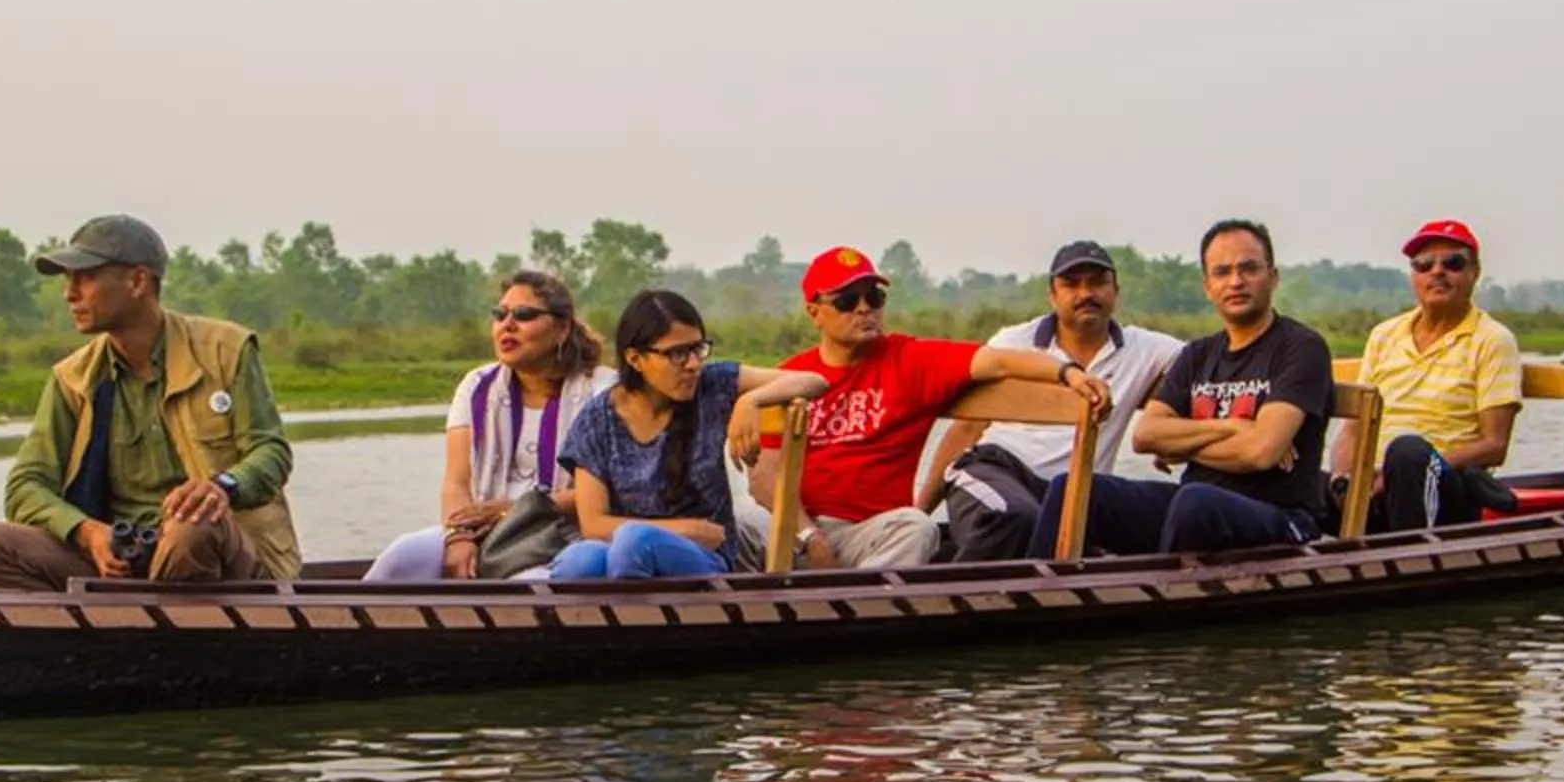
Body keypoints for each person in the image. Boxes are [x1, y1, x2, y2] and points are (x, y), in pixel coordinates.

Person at [0, 214, 300, 588]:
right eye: (68, 280)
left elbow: (271, 451)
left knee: (192, 526)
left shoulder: (226, 351)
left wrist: (222, 488)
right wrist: (88, 534)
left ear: (138, 281)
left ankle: (166, 631)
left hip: (225, 558)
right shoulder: (72, 378)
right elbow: (25, 485)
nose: (69, 294)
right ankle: (97, 637)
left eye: (85, 278)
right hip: (119, 563)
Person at [751, 246, 1113, 570]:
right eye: (847, 301)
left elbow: (998, 362)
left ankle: (859, 612)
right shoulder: (789, 375)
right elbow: (764, 480)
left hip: (874, 533)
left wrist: (1067, 372)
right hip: (799, 528)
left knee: (917, 528)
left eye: (873, 297)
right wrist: (809, 537)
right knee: (733, 528)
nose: (864, 308)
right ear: (815, 312)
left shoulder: (910, 360)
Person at [1028, 219, 1336, 557]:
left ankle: (1158, 602)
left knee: (1195, 501)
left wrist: (1184, 445)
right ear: (1207, 286)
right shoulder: (1197, 355)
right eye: (1222, 272)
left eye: (1249, 268)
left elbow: (1260, 452)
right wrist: (1232, 427)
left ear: (1273, 277)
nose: (1236, 282)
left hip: (1281, 518)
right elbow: (1147, 436)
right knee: (1071, 489)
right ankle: (1038, 598)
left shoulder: (1301, 347)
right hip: (1194, 510)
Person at [915, 239, 1180, 560]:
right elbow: (967, 429)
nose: (1086, 294)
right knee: (1014, 518)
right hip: (998, 468)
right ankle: (951, 604)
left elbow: (1207, 370)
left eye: (1098, 283)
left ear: (1116, 292)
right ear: (1052, 296)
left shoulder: (1145, 350)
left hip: (1075, 494)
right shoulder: (1014, 343)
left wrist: (1174, 428)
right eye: (1071, 284)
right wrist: (920, 513)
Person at [553, 290, 828, 580]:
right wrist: (685, 528)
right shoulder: (598, 420)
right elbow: (594, 524)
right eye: (677, 354)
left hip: (704, 557)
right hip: (653, 540)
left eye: (698, 349)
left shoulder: (712, 386)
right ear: (635, 359)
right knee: (578, 561)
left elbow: (813, 380)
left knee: (635, 544)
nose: (694, 364)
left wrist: (750, 401)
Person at [365, 270, 613, 580]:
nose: (508, 325)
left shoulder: (603, 391)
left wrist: (511, 509)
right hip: (483, 530)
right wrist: (458, 536)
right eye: (500, 314)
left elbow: (607, 490)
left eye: (524, 315)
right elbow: (456, 482)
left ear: (562, 329)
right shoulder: (477, 386)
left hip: (563, 537)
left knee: (527, 586)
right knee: (400, 558)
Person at [1334, 219, 1523, 531]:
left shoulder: (1492, 340)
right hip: (1375, 485)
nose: (1437, 272)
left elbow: (1494, 445)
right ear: (1413, 276)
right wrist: (1344, 481)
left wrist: (1399, 472)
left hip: (1444, 482)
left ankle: (1409, 557)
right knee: (1287, 470)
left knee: (1408, 453)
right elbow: (1353, 429)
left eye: (1453, 263)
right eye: (1423, 264)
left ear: (1474, 273)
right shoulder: (1385, 335)